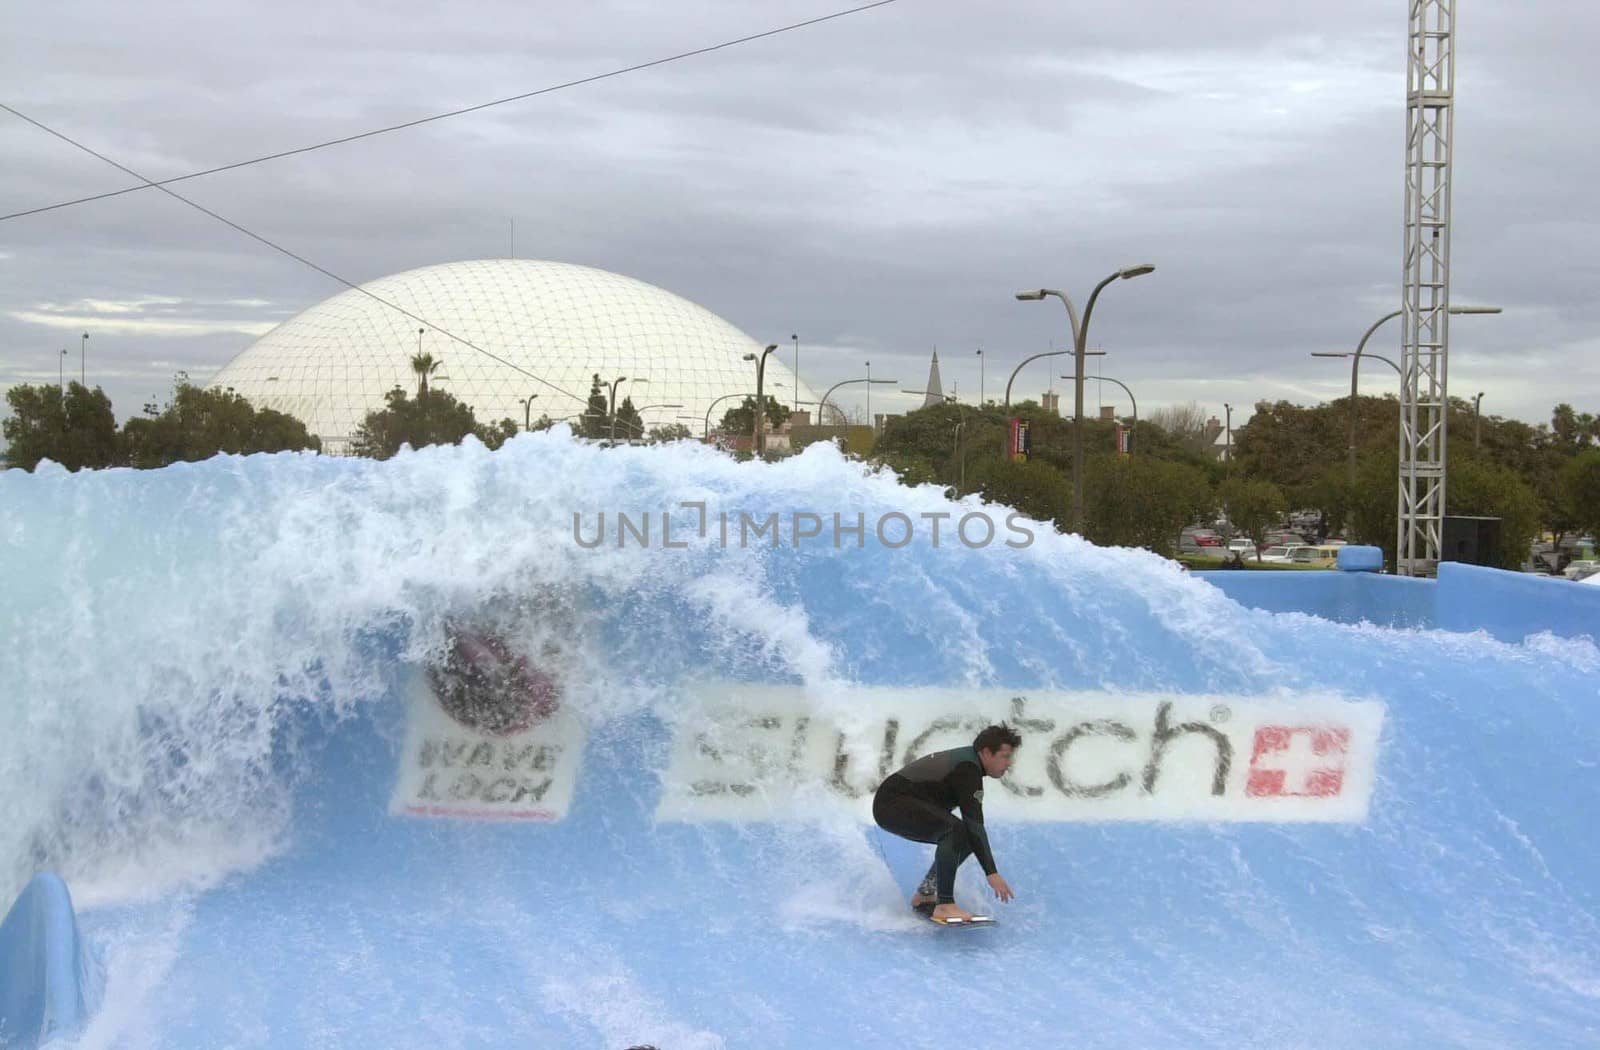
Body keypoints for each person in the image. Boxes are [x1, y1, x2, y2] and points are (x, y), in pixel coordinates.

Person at [872, 724, 1020, 922]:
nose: (1009, 763)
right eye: (1005, 756)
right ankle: (945, 904)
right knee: (956, 831)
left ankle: (925, 894)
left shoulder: (969, 765)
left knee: (965, 836)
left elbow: (973, 828)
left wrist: (989, 869)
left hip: (899, 804)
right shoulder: (968, 769)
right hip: (892, 805)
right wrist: (991, 873)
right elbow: (975, 823)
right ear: (986, 752)